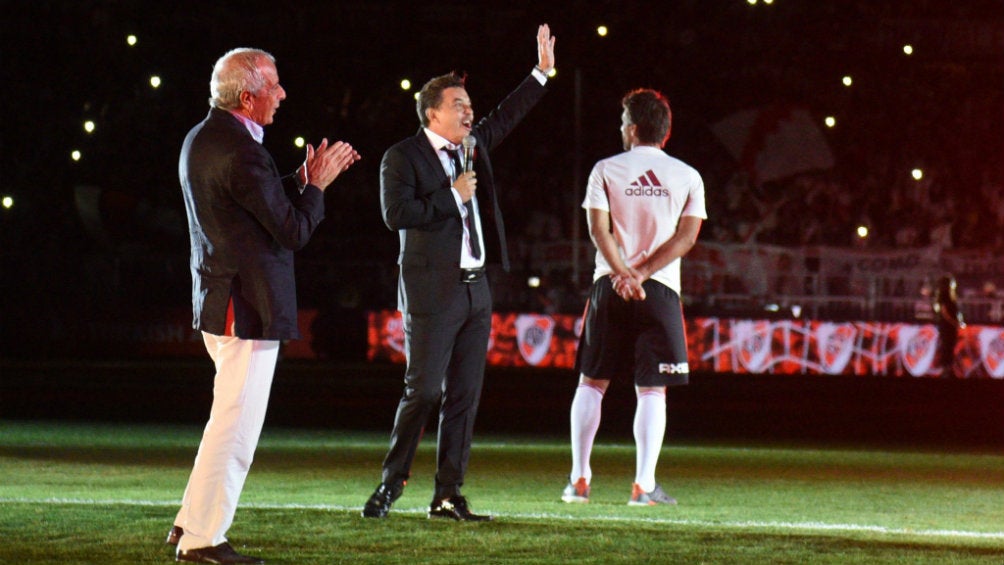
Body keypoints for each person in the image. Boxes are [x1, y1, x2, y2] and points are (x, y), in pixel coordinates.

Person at [167, 48, 359, 564]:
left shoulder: (204, 137)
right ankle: (203, 539)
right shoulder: (241, 150)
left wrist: (297, 181)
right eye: (273, 86)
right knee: (236, 431)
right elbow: (292, 230)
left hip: (221, 300)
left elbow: (251, 205)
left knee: (223, 422)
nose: (282, 94)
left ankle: (190, 520)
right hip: (245, 306)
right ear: (247, 97)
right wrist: (317, 185)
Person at [363, 24, 555, 522]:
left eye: (470, 105)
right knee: (424, 390)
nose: (470, 112)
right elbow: (395, 214)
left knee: (465, 397)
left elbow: (506, 116)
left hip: (476, 289)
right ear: (432, 113)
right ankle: (391, 483)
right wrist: (452, 197)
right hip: (432, 290)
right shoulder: (401, 156)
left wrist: (541, 74)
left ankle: (448, 494)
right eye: (459, 105)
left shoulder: (473, 146)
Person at [562, 89, 706, 506]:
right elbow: (687, 236)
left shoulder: (605, 169)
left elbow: (597, 230)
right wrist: (641, 274)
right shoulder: (688, 175)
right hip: (659, 290)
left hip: (609, 284)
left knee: (591, 382)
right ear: (666, 131)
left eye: (622, 119)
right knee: (652, 389)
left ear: (631, 128)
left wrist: (623, 274)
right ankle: (643, 486)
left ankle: (579, 481)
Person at [933, 274, 966, 378]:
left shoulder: (951, 298)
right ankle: (946, 369)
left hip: (950, 327)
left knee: (950, 346)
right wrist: (954, 322)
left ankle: (948, 368)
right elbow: (945, 313)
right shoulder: (945, 298)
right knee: (947, 346)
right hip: (947, 327)